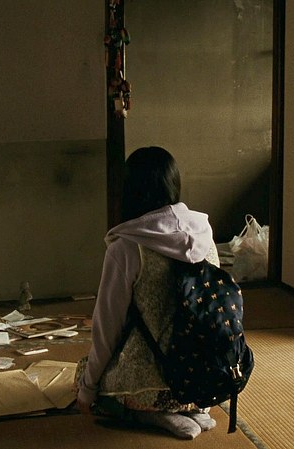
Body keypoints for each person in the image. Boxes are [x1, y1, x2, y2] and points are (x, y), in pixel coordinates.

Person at [76, 146, 219, 439]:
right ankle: (193, 408)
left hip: (152, 378)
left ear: (130, 191)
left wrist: (87, 389)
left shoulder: (127, 248)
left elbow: (107, 328)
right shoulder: (204, 233)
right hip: (206, 375)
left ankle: (153, 414)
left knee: (83, 374)